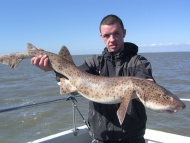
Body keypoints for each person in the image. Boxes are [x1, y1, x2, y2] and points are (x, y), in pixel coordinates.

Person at [31, 14, 155, 143]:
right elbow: (73, 80)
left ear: (124, 33)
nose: (112, 39)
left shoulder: (139, 62)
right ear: (101, 37)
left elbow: (145, 82)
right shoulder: (93, 63)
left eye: (116, 33)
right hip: (100, 136)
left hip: (132, 137)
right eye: (106, 35)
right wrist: (54, 69)